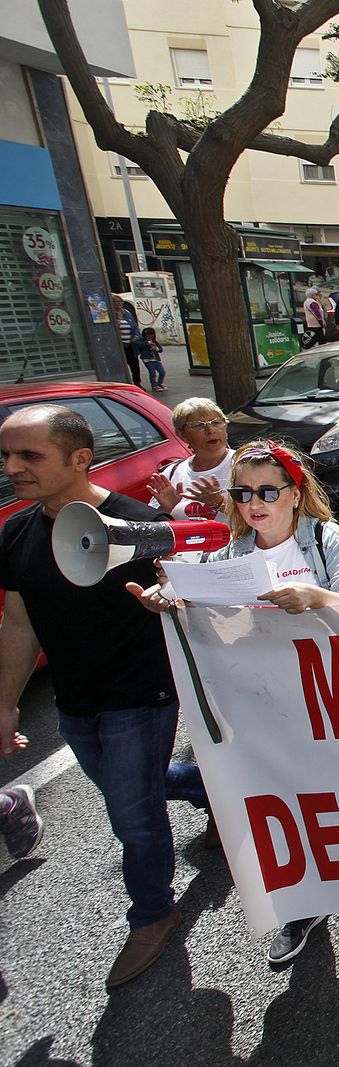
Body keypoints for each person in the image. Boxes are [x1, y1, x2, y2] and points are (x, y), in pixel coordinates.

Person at [128, 440, 339, 965]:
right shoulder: (230, 552)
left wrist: (317, 597)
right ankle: (303, 905)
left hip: (328, 697)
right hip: (262, 711)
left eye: (267, 491)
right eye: (242, 493)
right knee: (286, 805)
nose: (253, 503)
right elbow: (194, 597)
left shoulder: (328, 539)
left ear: (295, 491)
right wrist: (168, 600)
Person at [0, 405, 206, 987]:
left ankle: (152, 914)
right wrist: (7, 702)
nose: (13, 468)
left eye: (29, 455)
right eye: (7, 456)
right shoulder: (16, 533)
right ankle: (210, 786)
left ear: (79, 458)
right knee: (139, 786)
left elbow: (190, 599)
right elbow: (18, 623)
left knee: (132, 816)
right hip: (76, 705)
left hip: (140, 697)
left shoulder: (137, 524)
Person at [149, 399, 233, 520]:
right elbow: (150, 528)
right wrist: (166, 510)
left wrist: (220, 503)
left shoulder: (246, 463)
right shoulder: (172, 473)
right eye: (199, 426)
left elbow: (265, 513)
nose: (210, 430)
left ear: (225, 426)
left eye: (216, 423)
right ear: (182, 435)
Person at [113, 294, 142, 388]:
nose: (118, 304)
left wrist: (136, 336)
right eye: (116, 302)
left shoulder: (126, 313)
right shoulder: (110, 314)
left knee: (134, 365)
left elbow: (134, 326)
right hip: (119, 346)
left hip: (131, 344)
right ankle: (123, 383)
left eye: (120, 302)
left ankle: (137, 383)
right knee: (121, 366)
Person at [135, 327, 167, 393]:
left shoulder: (154, 341)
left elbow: (160, 349)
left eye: (151, 337)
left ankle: (160, 383)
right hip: (147, 360)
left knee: (162, 372)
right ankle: (154, 386)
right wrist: (147, 342)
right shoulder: (142, 341)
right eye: (148, 337)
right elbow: (138, 344)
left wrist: (156, 348)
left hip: (156, 359)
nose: (150, 339)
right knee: (152, 373)